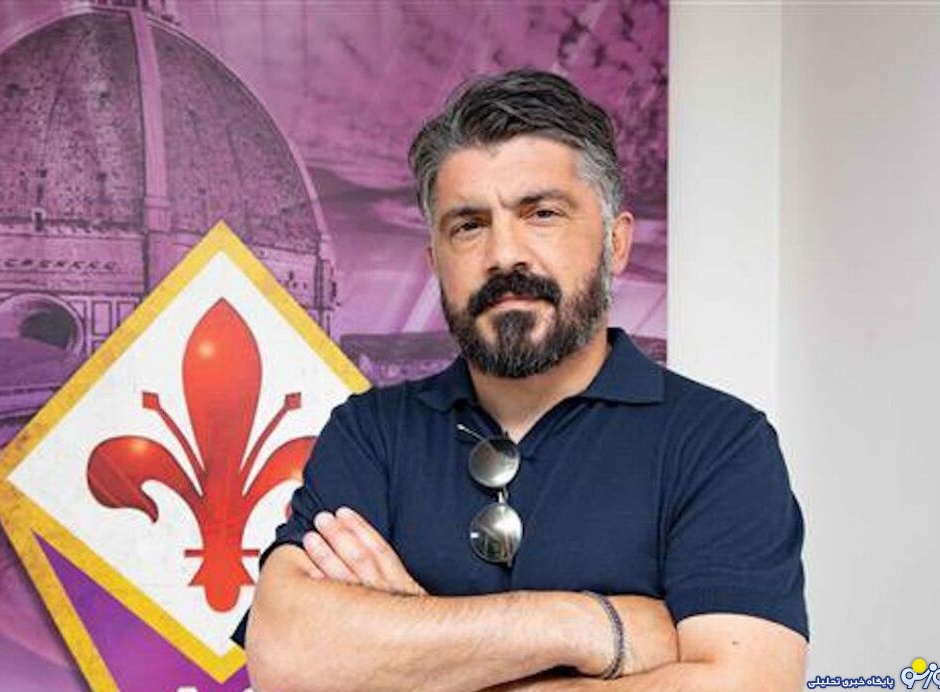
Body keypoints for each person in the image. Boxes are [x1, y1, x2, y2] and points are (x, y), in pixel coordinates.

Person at [237, 69, 808, 692]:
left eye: (542, 214)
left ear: (615, 244)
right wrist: (589, 626)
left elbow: (749, 684)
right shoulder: (369, 434)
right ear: (434, 262)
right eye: (468, 225)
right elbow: (287, 660)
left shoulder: (719, 443)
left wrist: (414, 653)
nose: (504, 255)